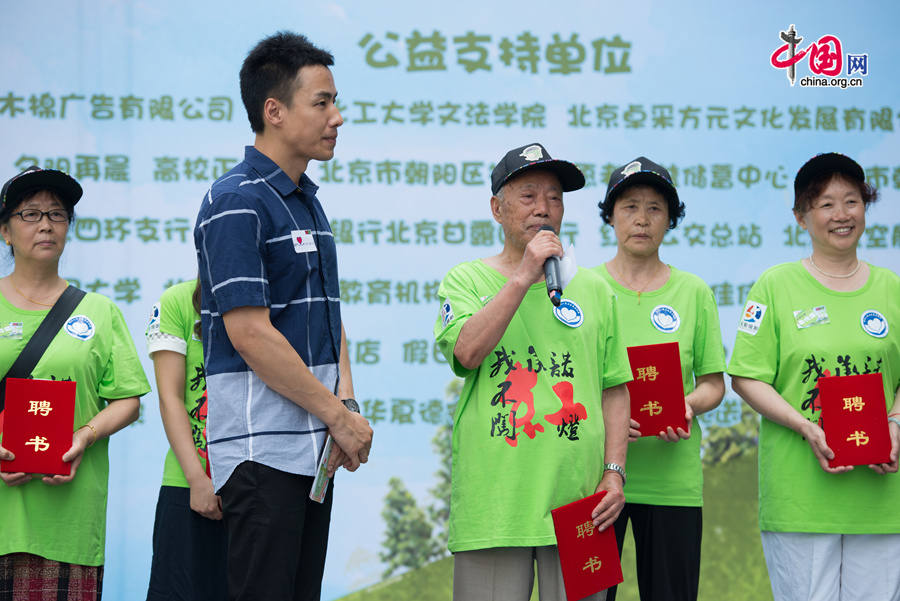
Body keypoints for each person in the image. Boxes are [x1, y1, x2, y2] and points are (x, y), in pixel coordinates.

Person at [193, 32, 373, 601]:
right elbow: (249, 333)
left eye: (335, 102)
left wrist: (344, 408)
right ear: (274, 111)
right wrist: (338, 418)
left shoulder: (307, 201)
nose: (337, 117)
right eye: (321, 102)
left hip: (313, 451)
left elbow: (328, 315)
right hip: (261, 453)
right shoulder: (237, 199)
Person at [434, 142, 632, 601]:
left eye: (555, 197)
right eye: (528, 196)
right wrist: (523, 277)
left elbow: (614, 388)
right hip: (497, 506)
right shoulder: (466, 280)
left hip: (584, 506)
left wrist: (615, 473)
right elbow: (466, 353)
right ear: (496, 209)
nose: (544, 209)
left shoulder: (596, 290)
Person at [728, 153, 900, 601]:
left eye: (852, 201)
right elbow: (747, 377)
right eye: (825, 204)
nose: (841, 215)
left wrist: (895, 423)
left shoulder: (891, 288)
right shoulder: (776, 285)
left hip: (881, 498)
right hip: (800, 497)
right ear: (801, 217)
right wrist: (805, 425)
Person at [0, 166, 150, 600]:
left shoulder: (99, 311)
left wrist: (84, 436)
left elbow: (128, 400)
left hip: (67, 524)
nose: (46, 224)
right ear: (6, 231)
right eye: (30, 214)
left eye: (57, 214)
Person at [594, 157, 726, 601]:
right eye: (629, 206)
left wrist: (689, 403)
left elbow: (713, 382)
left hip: (673, 484)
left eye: (655, 208)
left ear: (671, 219)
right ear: (610, 216)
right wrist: (604, 416)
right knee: (586, 595)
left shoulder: (693, 292)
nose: (642, 220)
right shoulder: (582, 289)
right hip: (591, 481)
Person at [144, 279, 226, 601]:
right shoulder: (176, 301)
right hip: (189, 482)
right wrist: (197, 479)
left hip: (257, 483)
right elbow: (170, 397)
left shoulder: (278, 298)